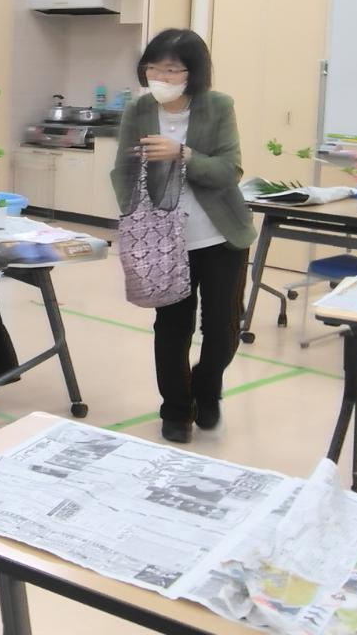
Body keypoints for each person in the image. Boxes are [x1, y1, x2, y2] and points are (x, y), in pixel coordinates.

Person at [111, 29, 255, 445]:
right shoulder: (138, 110)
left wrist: (182, 154)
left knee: (223, 328)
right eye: (153, 68)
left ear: (193, 72)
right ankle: (175, 410)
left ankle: (206, 388)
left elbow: (230, 170)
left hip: (220, 237)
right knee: (172, 328)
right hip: (164, 242)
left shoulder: (217, 106)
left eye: (171, 70)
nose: (160, 77)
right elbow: (123, 171)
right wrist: (137, 217)